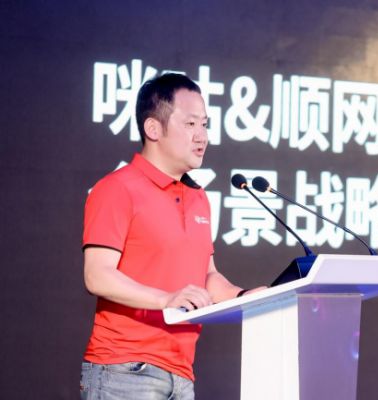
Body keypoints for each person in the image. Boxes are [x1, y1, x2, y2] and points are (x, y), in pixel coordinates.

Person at [80, 73, 263, 399]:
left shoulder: (198, 197)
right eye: (190, 124)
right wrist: (165, 299)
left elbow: (207, 276)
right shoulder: (117, 188)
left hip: (181, 372)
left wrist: (245, 296)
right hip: (124, 368)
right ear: (153, 129)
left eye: (205, 124)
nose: (202, 136)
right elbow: (98, 275)